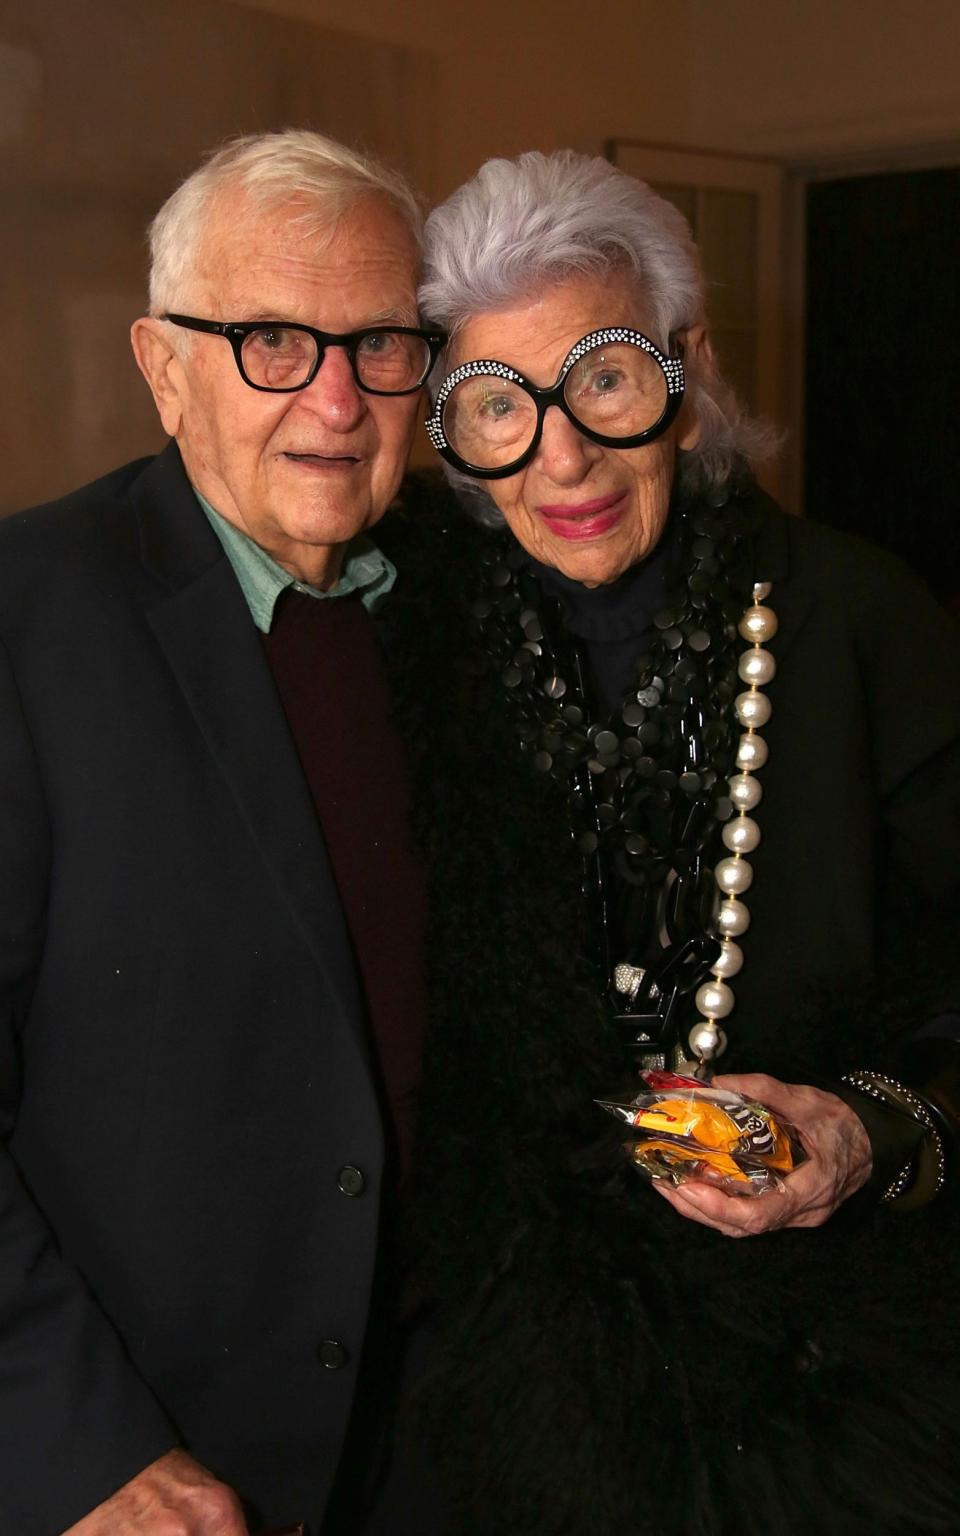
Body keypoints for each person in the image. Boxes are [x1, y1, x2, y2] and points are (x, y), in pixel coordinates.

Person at [369, 151, 960, 1533]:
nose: (558, 454)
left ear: (688, 374)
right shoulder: (410, 643)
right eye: (498, 404)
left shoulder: (862, 624)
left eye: (607, 379)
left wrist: (866, 1131)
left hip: (822, 1393)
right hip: (479, 1385)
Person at [0, 130, 445, 1536]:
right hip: (145, 1467)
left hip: (445, 1453)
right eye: (269, 339)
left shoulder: (468, 597)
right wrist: (78, 1453)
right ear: (161, 364)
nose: (335, 399)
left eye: (381, 344)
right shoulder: (23, 618)